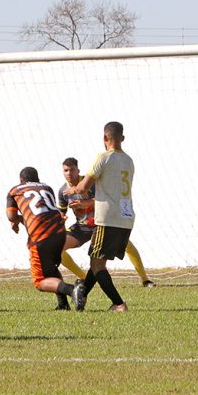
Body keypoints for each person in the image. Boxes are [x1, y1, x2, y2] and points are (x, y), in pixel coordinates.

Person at [56, 157, 155, 307]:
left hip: (100, 225)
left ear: (78, 170)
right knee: (57, 247)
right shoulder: (63, 191)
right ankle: (83, 278)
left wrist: (86, 203)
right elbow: (61, 212)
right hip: (82, 227)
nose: (69, 173)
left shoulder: (89, 183)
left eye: (72, 170)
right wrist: (60, 219)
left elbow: (104, 199)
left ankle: (145, 279)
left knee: (126, 246)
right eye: (66, 170)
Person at [65, 121, 134, 312]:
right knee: (98, 261)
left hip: (107, 217)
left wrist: (70, 191)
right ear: (122, 138)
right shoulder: (129, 160)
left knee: (97, 264)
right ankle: (82, 295)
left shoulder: (103, 158)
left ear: (105, 138)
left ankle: (119, 304)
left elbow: (83, 187)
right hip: (126, 217)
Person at [6, 166, 84, 309]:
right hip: (60, 232)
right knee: (52, 269)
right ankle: (63, 304)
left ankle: (72, 290)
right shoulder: (47, 188)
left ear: (21, 180)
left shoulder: (15, 190)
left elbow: (11, 216)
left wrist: (15, 221)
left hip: (40, 236)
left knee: (39, 281)